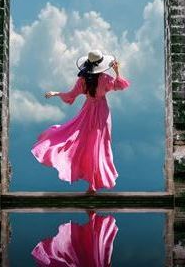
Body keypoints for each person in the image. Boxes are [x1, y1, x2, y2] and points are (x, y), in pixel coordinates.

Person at [31, 49, 130, 194]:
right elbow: (119, 86)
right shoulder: (105, 79)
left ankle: (92, 185)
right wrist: (117, 72)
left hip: (88, 111)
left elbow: (71, 95)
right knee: (99, 147)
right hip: (102, 114)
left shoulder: (83, 80)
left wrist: (57, 93)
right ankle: (93, 185)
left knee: (76, 138)